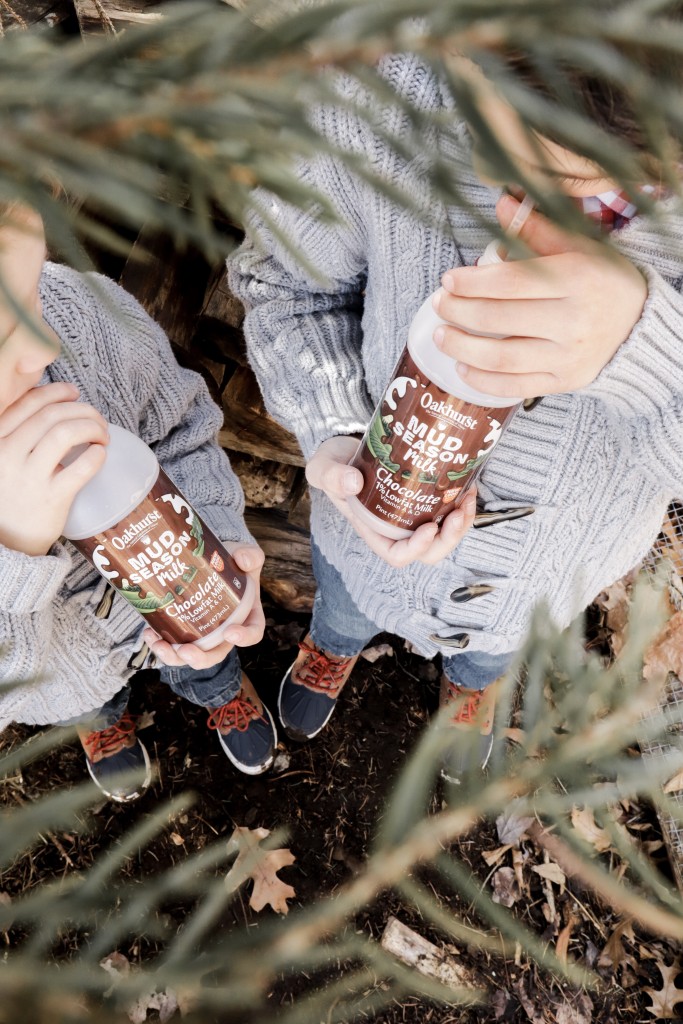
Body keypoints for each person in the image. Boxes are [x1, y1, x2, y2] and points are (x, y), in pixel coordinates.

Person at [227, 37, 683, 782]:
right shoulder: (378, 92)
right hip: (362, 538)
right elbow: (284, 281)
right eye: (471, 114)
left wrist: (645, 351)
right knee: (342, 601)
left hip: (549, 573)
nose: (482, 177)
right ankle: (333, 644)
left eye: (560, 174)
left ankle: (473, 685)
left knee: (494, 646)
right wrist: (335, 427)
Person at [0, 204, 276, 802]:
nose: (44, 343)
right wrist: (13, 557)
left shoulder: (81, 316)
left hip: (188, 598)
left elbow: (181, 431)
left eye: (32, 289)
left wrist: (219, 536)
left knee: (208, 655)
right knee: (93, 696)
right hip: (65, 672)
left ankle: (216, 684)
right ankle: (103, 719)